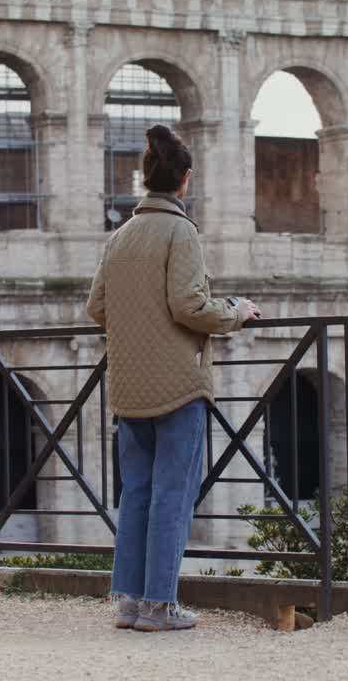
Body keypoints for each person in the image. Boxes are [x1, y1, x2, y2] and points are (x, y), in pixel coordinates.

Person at [86, 124, 261, 632]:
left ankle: (130, 602)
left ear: (146, 178)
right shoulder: (179, 231)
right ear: (184, 180)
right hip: (178, 387)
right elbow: (189, 305)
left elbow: (96, 305)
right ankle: (160, 607)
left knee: (136, 494)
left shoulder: (120, 235)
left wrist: (137, 321)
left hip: (128, 386)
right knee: (172, 496)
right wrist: (235, 310)